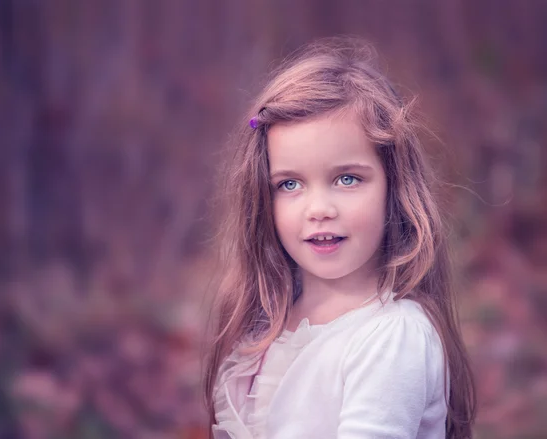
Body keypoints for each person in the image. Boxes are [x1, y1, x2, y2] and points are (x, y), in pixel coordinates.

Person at [203, 37, 476, 439]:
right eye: (290, 184)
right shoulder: (271, 322)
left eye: (347, 179)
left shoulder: (390, 338)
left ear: (393, 187)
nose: (319, 208)